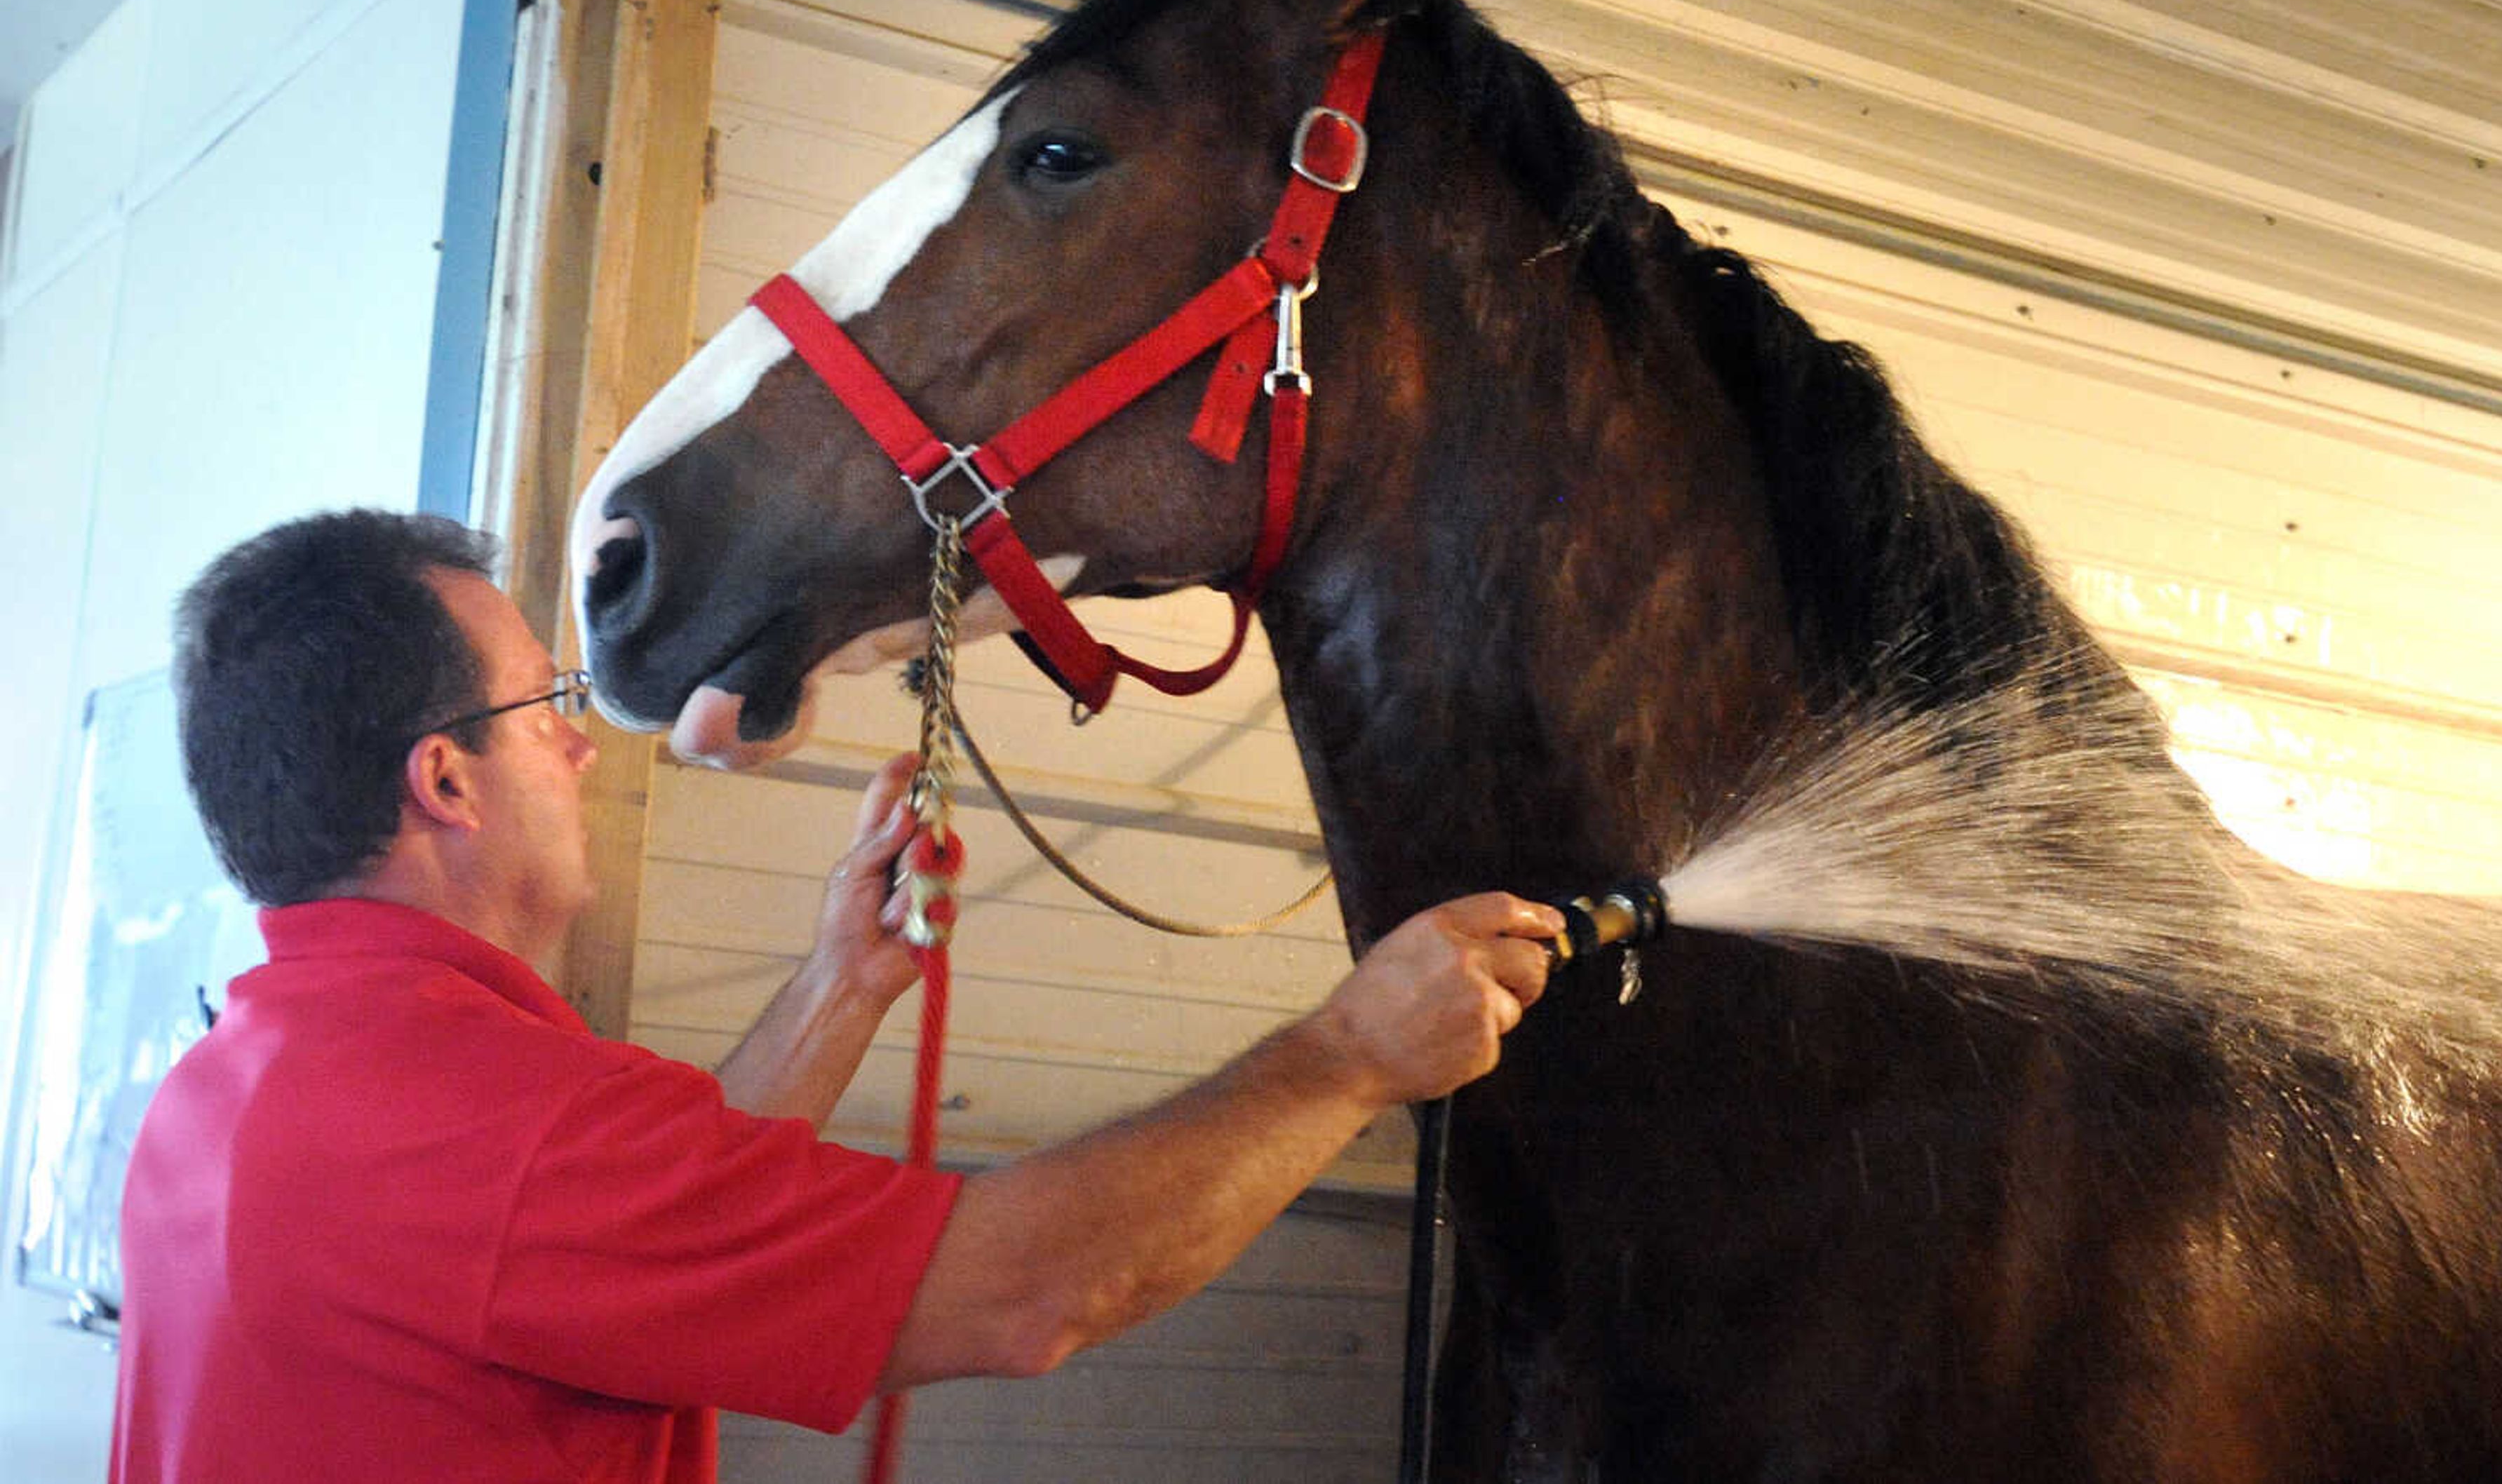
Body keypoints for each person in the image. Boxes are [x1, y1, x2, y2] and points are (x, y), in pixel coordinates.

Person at [114, 508, 1558, 1482]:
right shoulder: (476, 1125)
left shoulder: (241, 1081)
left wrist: (836, 986)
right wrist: (1351, 1054)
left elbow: (615, 1248)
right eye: (542, 708)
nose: (583, 749)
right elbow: (1028, 1293)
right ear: (444, 780)